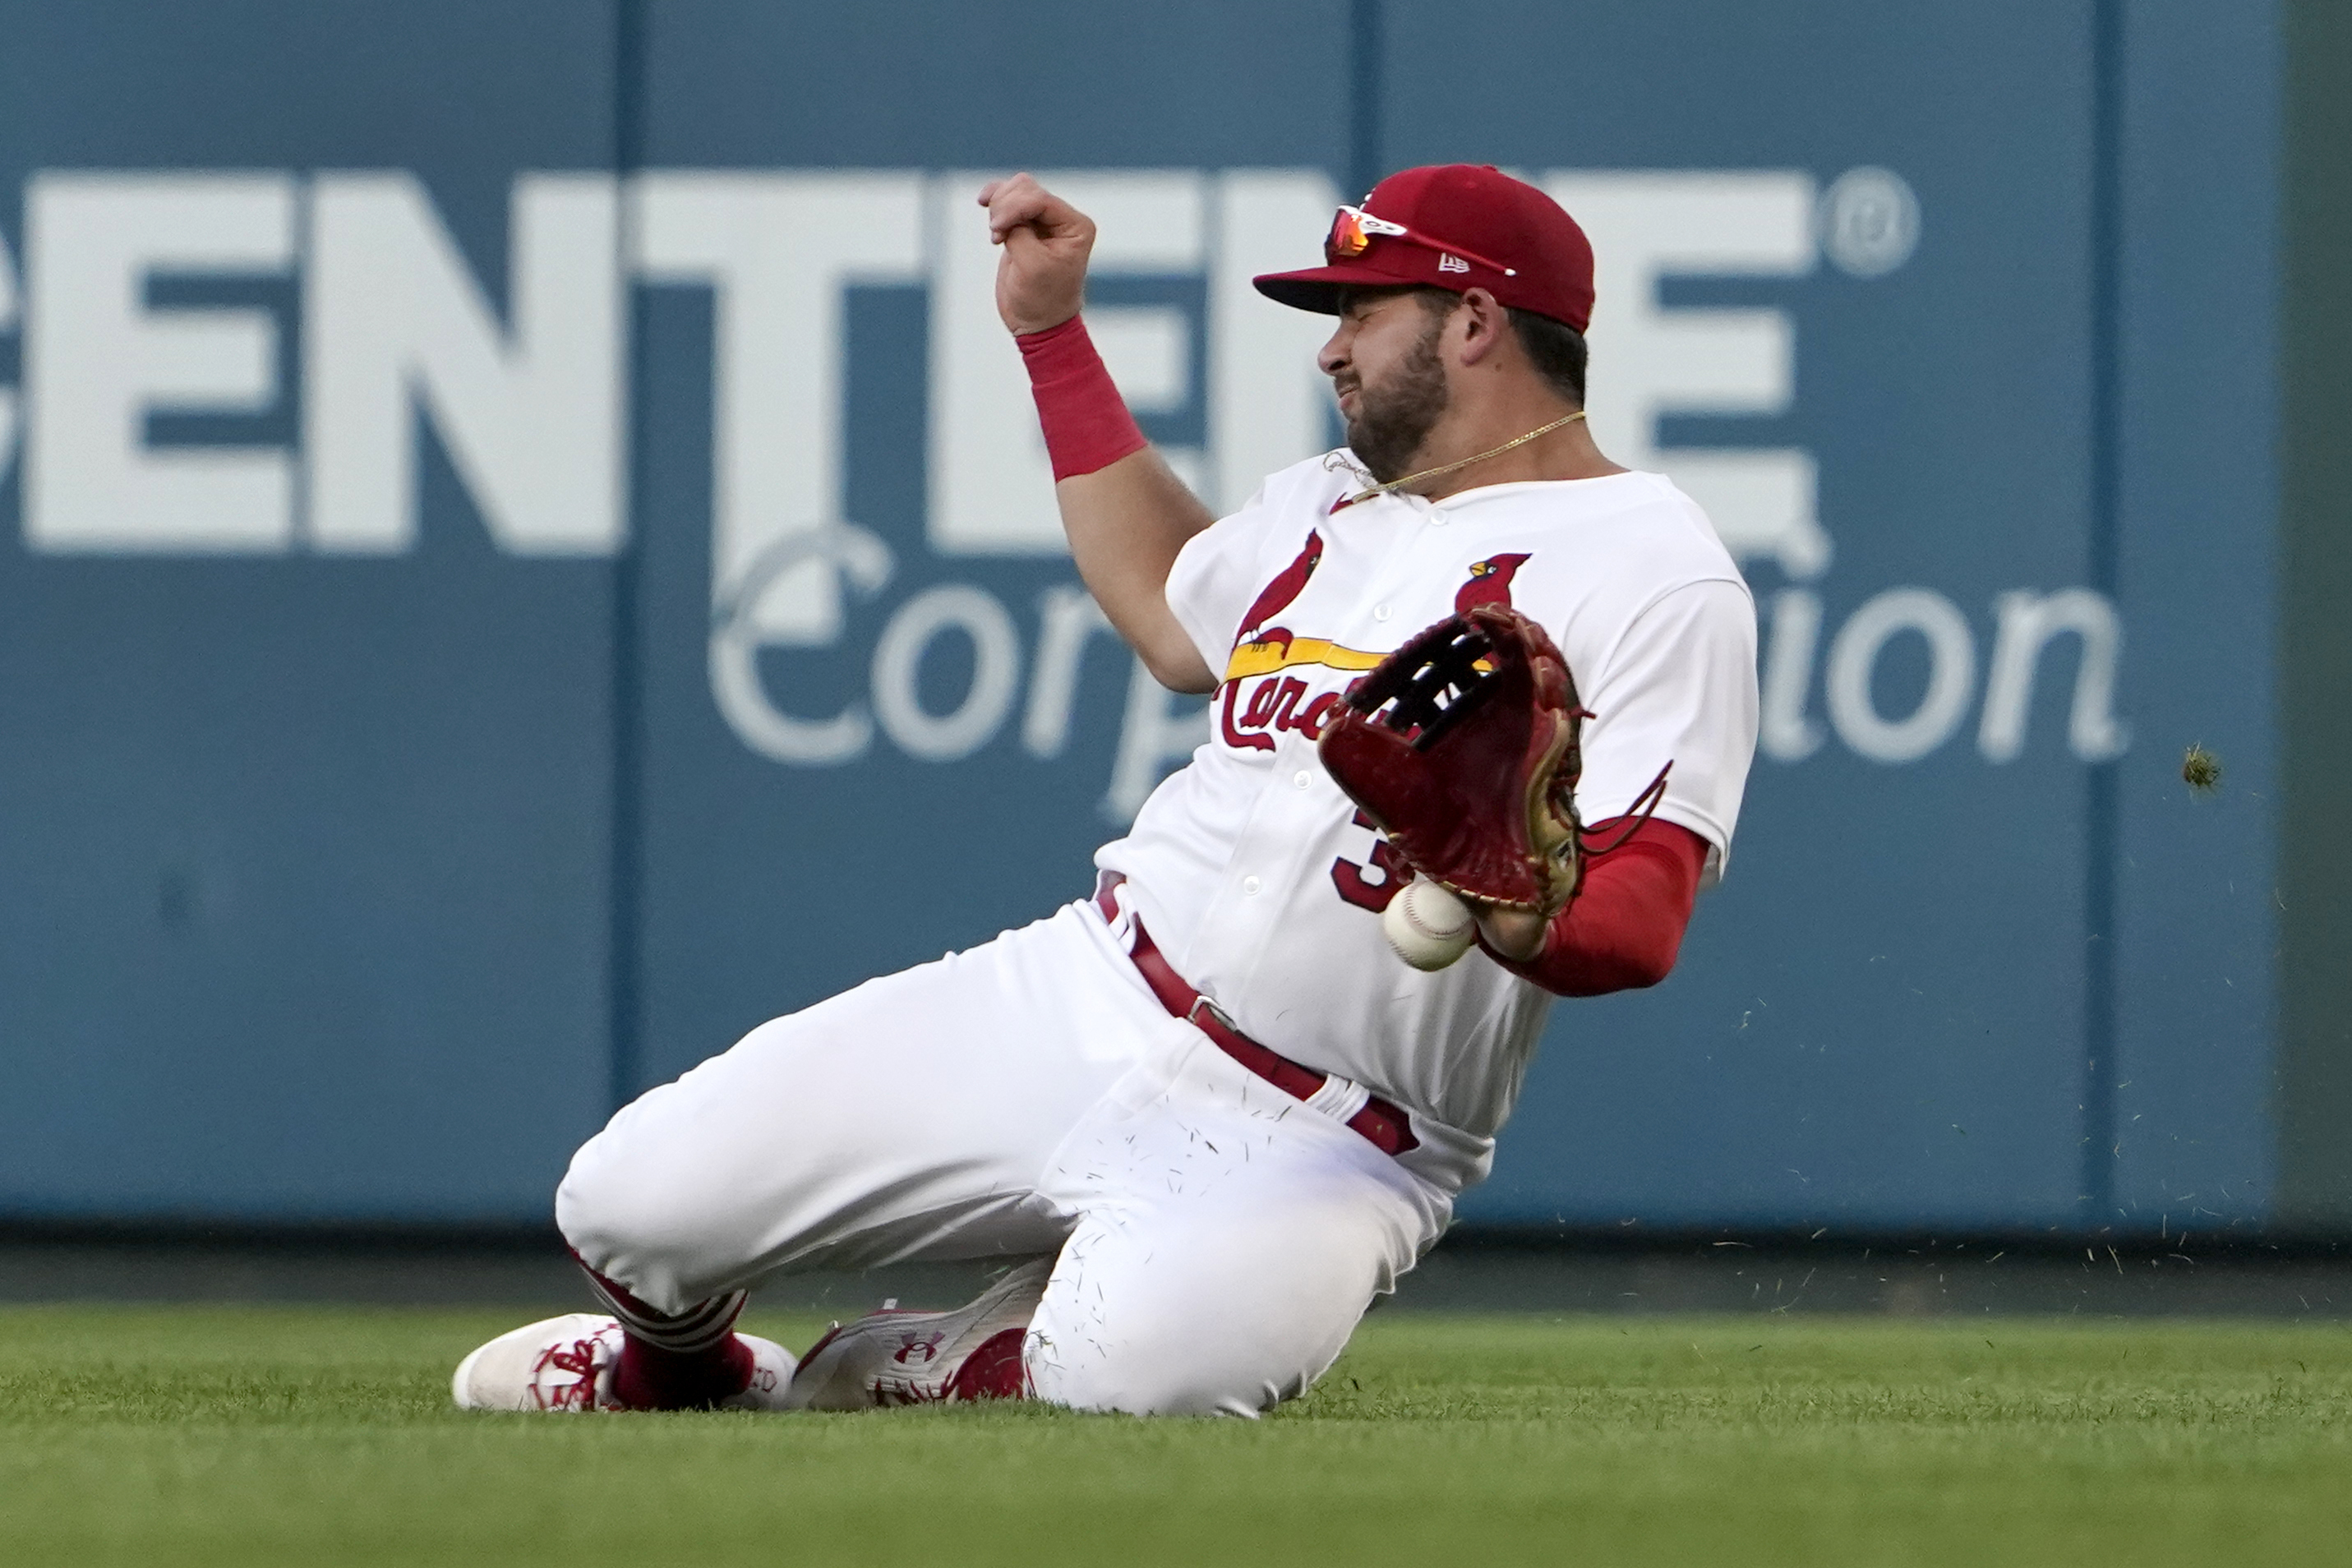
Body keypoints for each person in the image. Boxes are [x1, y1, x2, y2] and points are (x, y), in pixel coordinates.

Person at [451, 164, 1759, 1418]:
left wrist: (1512, 899)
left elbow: (1637, 926)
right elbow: (1168, 609)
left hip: (1328, 1132)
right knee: (629, 1202)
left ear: (1474, 320)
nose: (1332, 347)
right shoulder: (1331, 504)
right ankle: (676, 1382)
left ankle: (964, 1357)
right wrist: (1052, 337)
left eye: (1364, 308)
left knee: (1142, 1386)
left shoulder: (1652, 567)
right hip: (1092, 992)